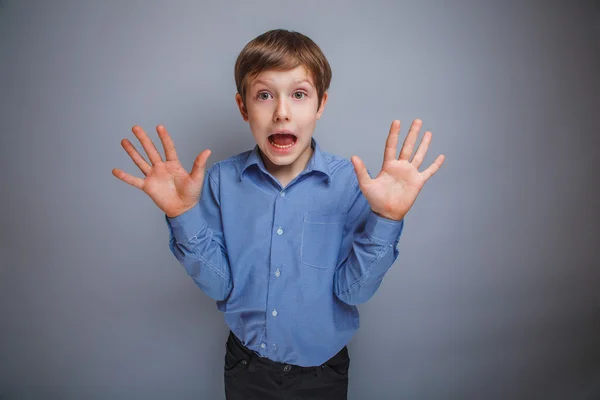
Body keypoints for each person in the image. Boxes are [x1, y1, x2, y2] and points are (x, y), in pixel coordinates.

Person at [112, 29, 444, 400]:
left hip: (323, 372)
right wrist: (182, 214)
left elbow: (354, 290)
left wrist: (387, 218)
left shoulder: (353, 185)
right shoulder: (220, 181)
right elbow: (219, 286)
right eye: (265, 95)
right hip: (246, 367)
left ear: (320, 105)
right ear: (243, 107)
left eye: (299, 95)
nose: (282, 112)